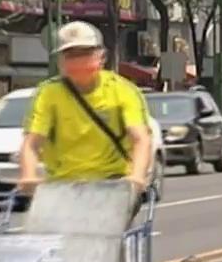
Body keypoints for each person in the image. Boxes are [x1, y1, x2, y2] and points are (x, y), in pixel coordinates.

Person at [18, 21, 153, 211]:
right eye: (71, 55)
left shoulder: (122, 90)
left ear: (101, 56)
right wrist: (28, 175)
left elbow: (140, 139)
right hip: (63, 186)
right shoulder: (48, 93)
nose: (79, 61)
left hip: (113, 184)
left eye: (85, 53)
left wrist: (137, 177)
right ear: (60, 61)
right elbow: (32, 143)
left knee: (105, 225)